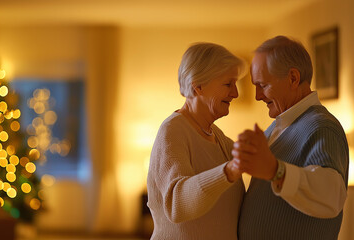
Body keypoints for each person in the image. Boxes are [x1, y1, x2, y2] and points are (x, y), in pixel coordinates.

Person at [231, 36, 349, 239]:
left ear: (293, 78)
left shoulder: (322, 127)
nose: (258, 95)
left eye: (263, 85)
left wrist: (275, 170)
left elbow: (332, 194)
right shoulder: (278, 126)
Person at [147, 42, 247, 239]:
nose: (235, 93)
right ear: (198, 85)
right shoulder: (173, 131)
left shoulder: (219, 138)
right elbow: (178, 204)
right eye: (228, 84)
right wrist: (228, 171)